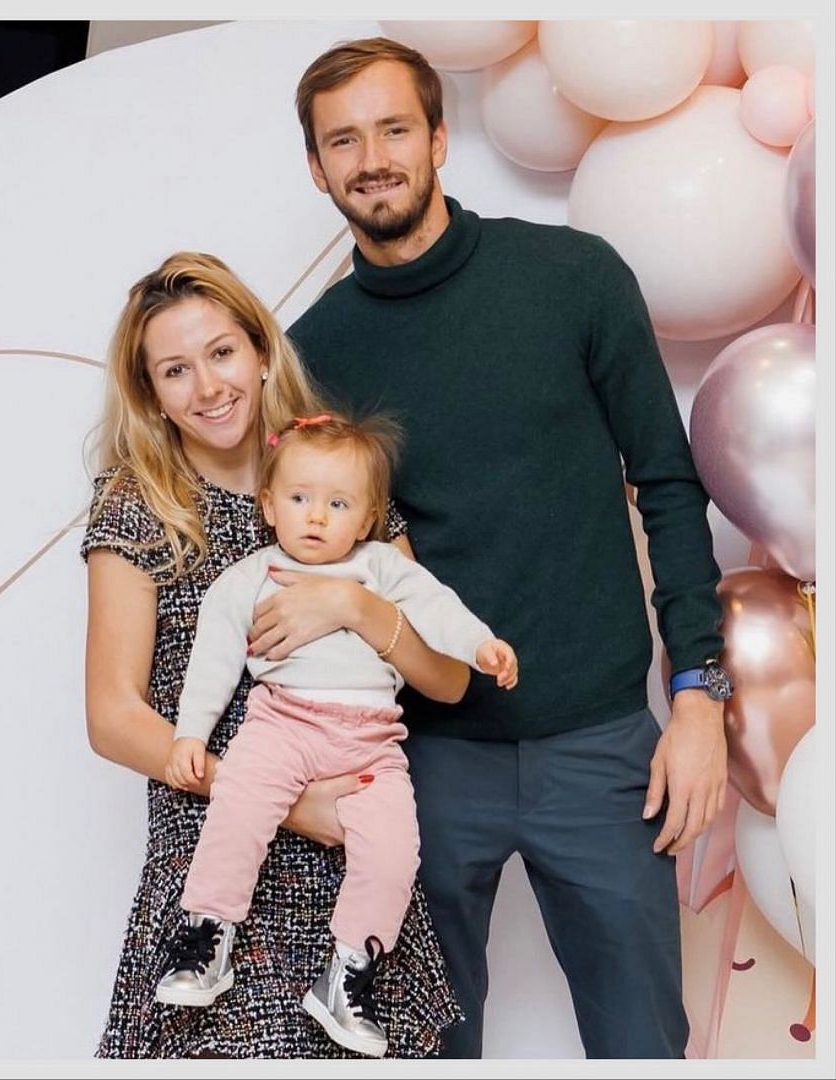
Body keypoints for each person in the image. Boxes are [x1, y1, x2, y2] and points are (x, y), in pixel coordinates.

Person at [286, 38, 729, 1059]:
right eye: (343, 140)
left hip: (604, 749)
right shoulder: (312, 356)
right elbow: (312, 560)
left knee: (641, 1048)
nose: (372, 158)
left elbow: (666, 482)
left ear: (440, 138)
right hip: (420, 765)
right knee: (417, 1050)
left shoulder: (572, 278)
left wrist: (699, 696)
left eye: (394, 128)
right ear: (317, 167)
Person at [84, 252, 465, 1058]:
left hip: (355, 856)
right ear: (151, 393)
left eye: (222, 352)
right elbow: (113, 717)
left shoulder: (339, 481)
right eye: (175, 370)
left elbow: (448, 676)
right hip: (217, 865)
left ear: (261, 352)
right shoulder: (139, 503)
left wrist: (356, 606)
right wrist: (289, 802)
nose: (209, 386)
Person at [156, 412, 518, 1058]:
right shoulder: (250, 577)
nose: (316, 518)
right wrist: (191, 735)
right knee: (238, 801)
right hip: (283, 721)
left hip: (372, 741)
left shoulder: (380, 569)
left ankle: (349, 969)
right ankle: (208, 933)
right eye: (299, 499)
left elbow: (437, 610)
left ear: (368, 515)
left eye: (337, 504)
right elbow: (213, 659)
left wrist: (482, 643)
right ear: (268, 505)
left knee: (395, 853)